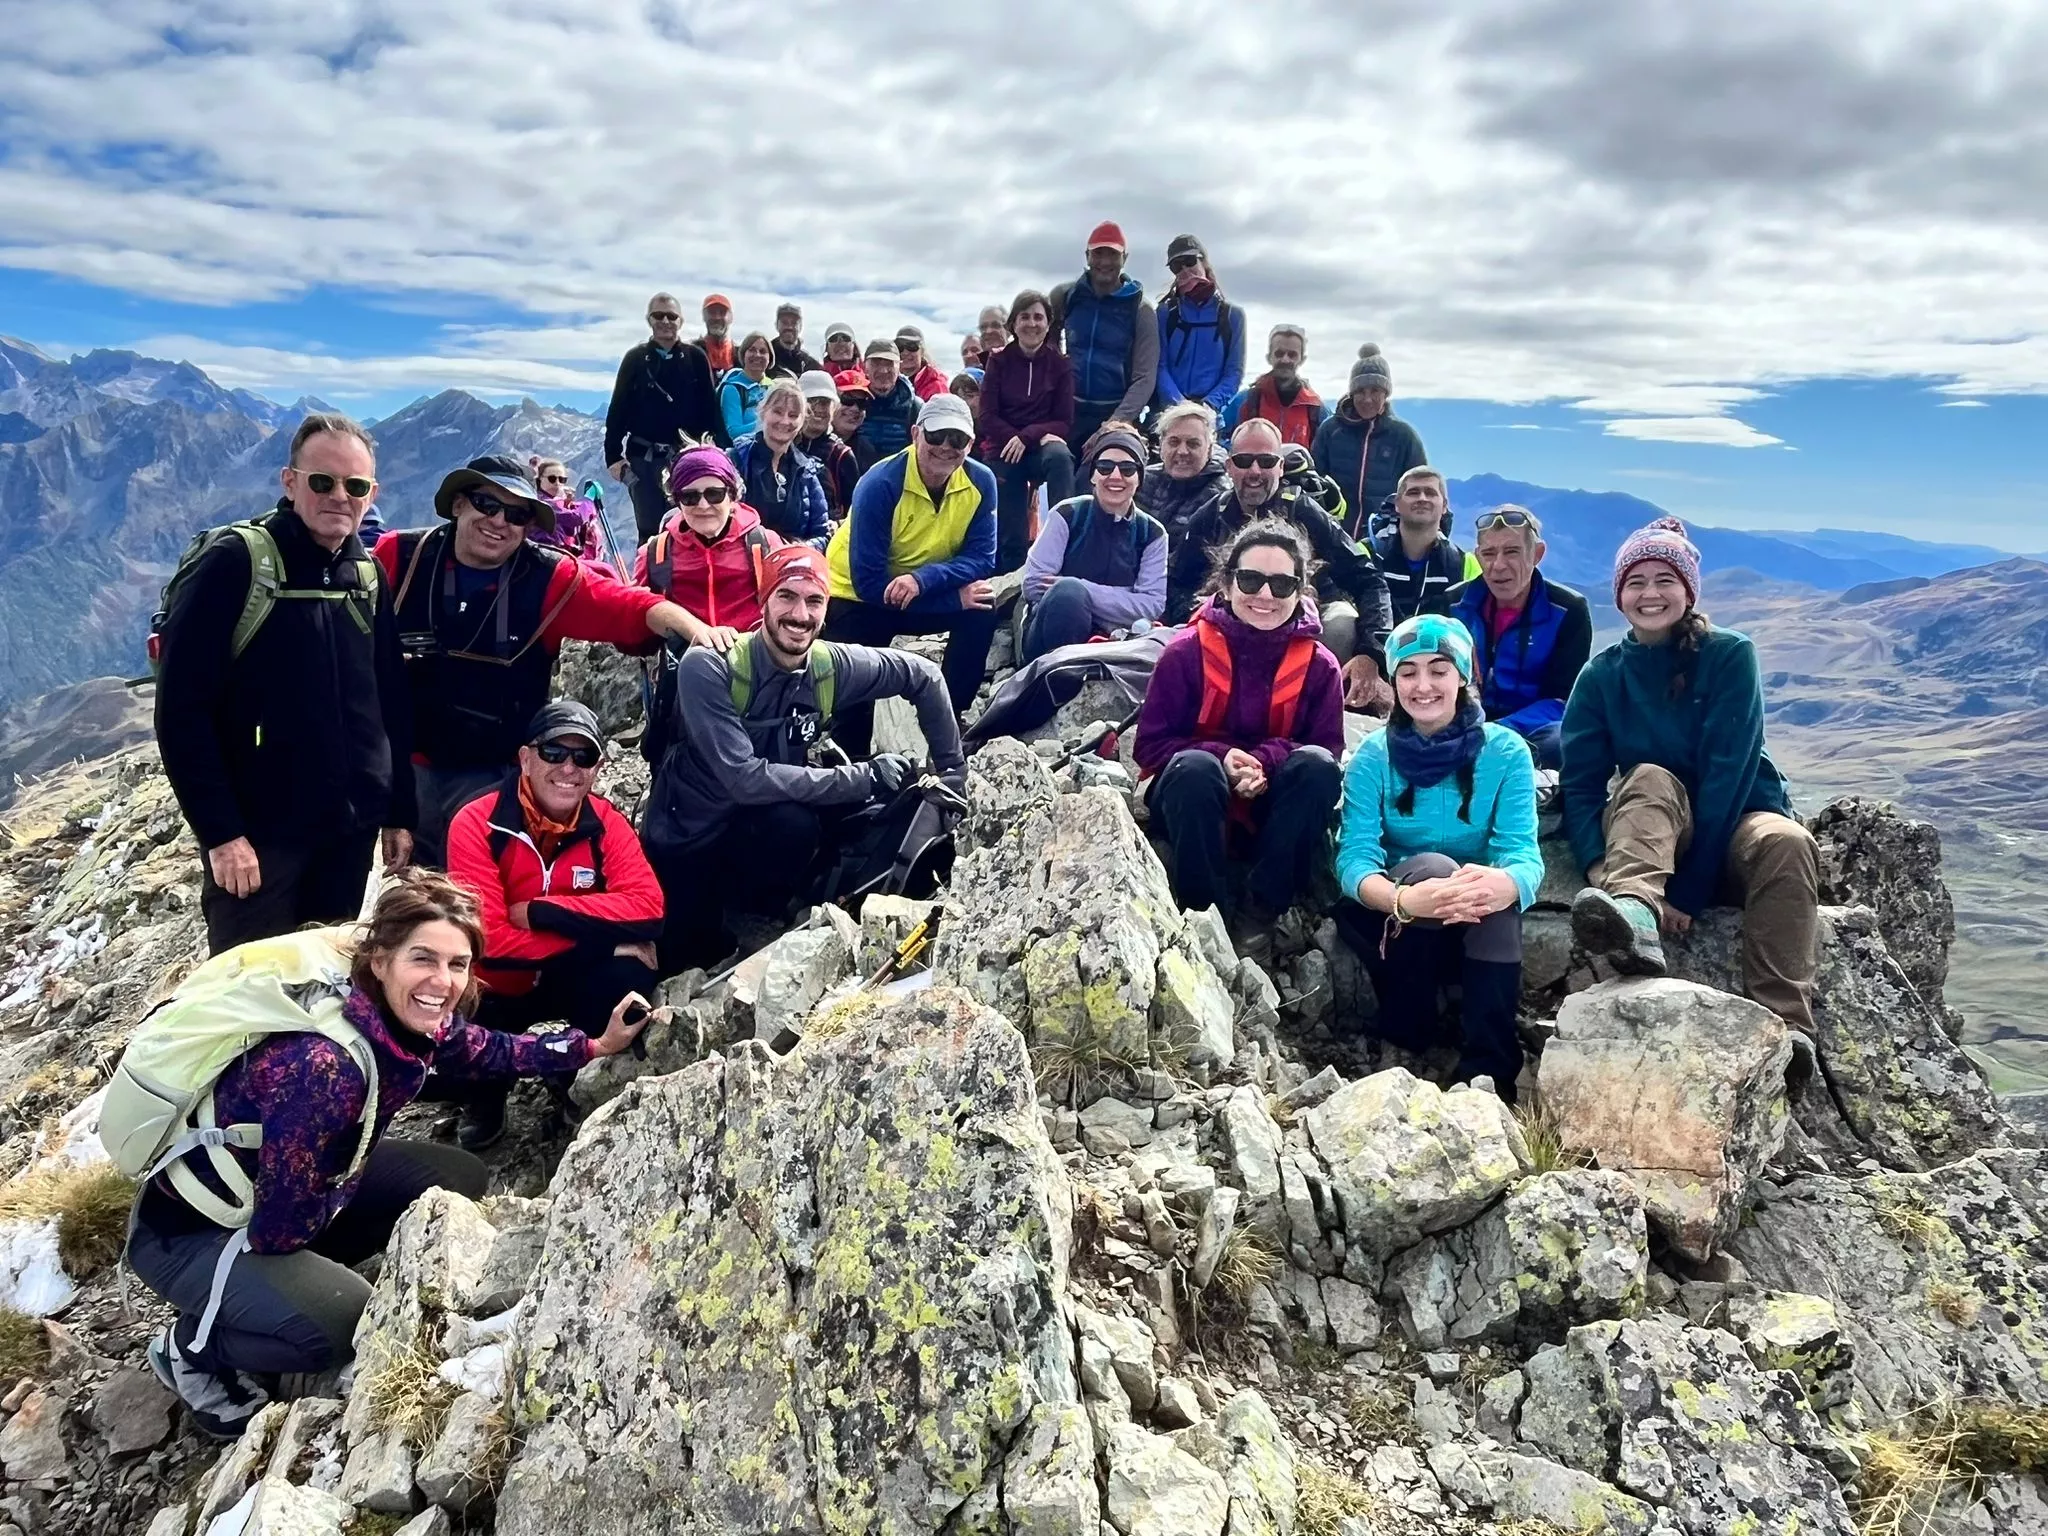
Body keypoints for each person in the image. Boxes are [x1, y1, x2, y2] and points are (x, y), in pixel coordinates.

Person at [131, 870, 652, 1439]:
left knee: (455, 1176)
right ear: (380, 961)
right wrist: (329, 1230)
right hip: (191, 1232)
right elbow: (279, 1229)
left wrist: (591, 1045)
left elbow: (486, 1050)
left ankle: (277, 1294)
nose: (443, 981)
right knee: (343, 1326)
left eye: (458, 964)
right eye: (423, 959)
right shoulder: (323, 1067)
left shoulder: (401, 1015)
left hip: (288, 1188)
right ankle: (190, 1348)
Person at [373, 456, 718, 868]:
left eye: (516, 514)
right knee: (415, 888)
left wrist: (699, 632)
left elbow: (631, 607)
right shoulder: (401, 556)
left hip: (494, 772)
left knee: (475, 886)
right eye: (487, 504)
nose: (499, 521)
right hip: (403, 765)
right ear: (458, 503)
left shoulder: (549, 578)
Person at [155, 413, 415, 955]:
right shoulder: (236, 564)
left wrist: (397, 814)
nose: (339, 496)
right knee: (247, 986)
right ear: (290, 482)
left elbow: (390, 700)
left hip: (347, 837)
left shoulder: (367, 576)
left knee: (321, 982)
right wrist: (221, 835)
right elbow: (181, 711)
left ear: (372, 494)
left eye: (355, 486)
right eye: (322, 481)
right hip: (259, 841)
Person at [643, 545, 967, 970]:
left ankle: (761, 911)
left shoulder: (830, 667)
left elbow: (923, 675)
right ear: (763, 601)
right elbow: (744, 779)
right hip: (689, 837)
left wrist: (954, 778)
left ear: (827, 608)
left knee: (796, 825)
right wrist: (864, 777)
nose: (800, 614)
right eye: (786, 596)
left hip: (759, 826)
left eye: (814, 600)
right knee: (684, 955)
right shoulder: (710, 666)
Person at [1562, 518, 1819, 1031]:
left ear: (1688, 592)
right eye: (1636, 582)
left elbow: (1730, 775)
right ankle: (1634, 915)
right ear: (1619, 595)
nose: (1650, 594)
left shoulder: (1729, 655)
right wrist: (1596, 863)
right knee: (1650, 777)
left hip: (1738, 823)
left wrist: (1690, 891)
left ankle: (1787, 1029)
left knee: (1787, 841)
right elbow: (1580, 783)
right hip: (1654, 831)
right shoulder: (1602, 675)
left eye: (1665, 580)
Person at [1333, 616, 1542, 1099]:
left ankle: (1490, 1075)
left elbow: (1521, 852)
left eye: (1439, 670)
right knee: (1435, 868)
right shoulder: (1373, 757)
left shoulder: (1507, 753)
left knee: (1487, 888)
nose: (1422, 686)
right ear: (1393, 680)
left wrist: (1508, 883)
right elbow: (1354, 860)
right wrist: (1405, 901)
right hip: (1396, 922)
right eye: (1408, 672)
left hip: (1472, 924)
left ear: (1463, 675)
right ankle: (1409, 1035)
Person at [444, 701, 663, 1148]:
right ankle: (484, 1096)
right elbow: (488, 940)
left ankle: (577, 1077)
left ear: (597, 768)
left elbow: (648, 908)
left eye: (584, 757)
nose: (568, 767)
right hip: (497, 982)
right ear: (525, 759)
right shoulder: (475, 822)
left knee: (630, 974)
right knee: (463, 994)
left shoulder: (606, 822)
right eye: (554, 752)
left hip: (568, 976)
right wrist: (596, 942)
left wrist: (539, 911)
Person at [1134, 520, 1344, 926]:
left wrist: (1264, 761)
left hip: (1274, 807)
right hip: (1192, 798)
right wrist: (1222, 757)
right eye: (1250, 580)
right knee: (1195, 768)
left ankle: (1261, 913)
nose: (1265, 595)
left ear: (1300, 592)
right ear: (1227, 585)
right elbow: (1150, 746)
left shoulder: (1321, 667)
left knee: (1317, 768)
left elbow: (1327, 749)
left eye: (1281, 584)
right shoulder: (1184, 654)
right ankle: (1203, 918)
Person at [1168, 420, 1393, 710]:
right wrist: (1198, 614)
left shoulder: (1305, 512)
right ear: (1229, 467)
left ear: (1281, 468)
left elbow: (1369, 580)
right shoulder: (1210, 516)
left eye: (1266, 461)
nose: (1255, 471)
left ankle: (1333, 709)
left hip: (1304, 626)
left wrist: (1371, 652)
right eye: (1244, 461)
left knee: (1342, 625)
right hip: (1231, 626)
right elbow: (1176, 583)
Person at [821, 394, 998, 757]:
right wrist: (951, 598)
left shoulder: (981, 482)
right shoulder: (880, 483)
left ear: (970, 444)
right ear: (916, 433)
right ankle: (849, 756)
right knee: (858, 674)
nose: (945, 447)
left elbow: (983, 558)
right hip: (855, 595)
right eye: (936, 436)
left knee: (981, 608)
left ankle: (950, 720)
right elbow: (869, 584)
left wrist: (923, 581)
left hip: (916, 588)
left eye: (957, 439)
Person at [1446, 505, 1592, 770]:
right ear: (1478, 557)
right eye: (1489, 554)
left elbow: (1562, 699)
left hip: (1532, 730)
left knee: (1562, 742)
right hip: (1461, 724)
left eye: (1512, 552)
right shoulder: (1453, 605)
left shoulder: (1568, 610)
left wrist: (1495, 731)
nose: (1498, 565)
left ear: (1537, 554)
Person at [1020, 423, 1167, 660]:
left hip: (1119, 641)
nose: (1115, 476)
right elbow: (1035, 584)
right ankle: (1057, 679)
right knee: (1068, 596)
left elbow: (1152, 605)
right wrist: (1122, 598)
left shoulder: (1153, 533)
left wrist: (1083, 590)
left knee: (1071, 590)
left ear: (1140, 478)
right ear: (1093, 475)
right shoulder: (1067, 514)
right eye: (1105, 467)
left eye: (1128, 469)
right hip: (1054, 635)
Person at [604, 292, 724, 539]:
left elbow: (710, 410)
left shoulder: (696, 358)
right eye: (659, 316)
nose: (665, 321)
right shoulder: (635, 359)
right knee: (649, 531)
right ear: (649, 320)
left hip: (686, 457)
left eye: (671, 316)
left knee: (691, 527)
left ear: (681, 321)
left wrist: (718, 452)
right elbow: (618, 410)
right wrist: (613, 457)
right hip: (643, 461)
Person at [634, 444, 781, 635]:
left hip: (752, 652)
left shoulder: (765, 546)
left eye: (714, 494)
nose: (703, 506)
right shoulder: (654, 555)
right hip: (683, 653)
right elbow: (635, 630)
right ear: (677, 501)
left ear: (732, 495)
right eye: (690, 497)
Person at [979, 288, 1077, 569]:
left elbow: (1063, 420)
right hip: (1003, 448)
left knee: (1060, 458)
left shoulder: (1060, 364)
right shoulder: (998, 361)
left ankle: (1064, 539)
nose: (1032, 324)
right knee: (1011, 533)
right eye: (1024, 317)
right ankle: (1010, 578)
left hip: (1039, 447)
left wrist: (1027, 436)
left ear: (1048, 323)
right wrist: (1013, 438)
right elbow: (987, 416)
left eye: (1038, 317)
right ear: (1013, 324)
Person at [1050, 222, 1159, 448]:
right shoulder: (1065, 296)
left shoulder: (1140, 309)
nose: (1105, 262)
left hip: (1115, 412)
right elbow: (1046, 347)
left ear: (1124, 258)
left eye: (1113, 254)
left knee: (1108, 468)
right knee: (1058, 464)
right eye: (1098, 253)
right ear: (1087, 256)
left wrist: (1114, 424)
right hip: (1067, 410)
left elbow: (1145, 377)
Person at [1311, 344, 1427, 539]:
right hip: (1332, 537)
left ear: (1386, 394)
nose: (1367, 399)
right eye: (1360, 391)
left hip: (1383, 540)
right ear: (1351, 393)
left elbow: (1420, 490)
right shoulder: (1330, 431)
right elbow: (1314, 484)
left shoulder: (1404, 437)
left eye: (1375, 391)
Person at [728, 378, 833, 547]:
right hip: (743, 556)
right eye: (777, 412)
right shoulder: (735, 460)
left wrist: (800, 549)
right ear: (763, 412)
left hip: (792, 558)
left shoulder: (807, 471)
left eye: (793, 415)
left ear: (802, 421)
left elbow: (822, 533)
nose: (785, 421)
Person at [1370, 467, 1479, 624]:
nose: (1422, 498)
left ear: (1444, 506)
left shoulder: (1465, 564)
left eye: (1430, 493)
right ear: (1397, 504)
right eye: (1413, 492)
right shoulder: (1367, 554)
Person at [1153, 234, 1244, 421]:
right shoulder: (1165, 314)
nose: (1185, 270)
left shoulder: (1232, 316)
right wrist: (1179, 406)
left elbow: (1233, 373)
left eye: (1190, 261)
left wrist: (1209, 405)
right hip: (1168, 415)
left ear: (1204, 262)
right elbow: (1160, 366)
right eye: (1176, 266)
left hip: (1210, 416)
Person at [1136, 401, 1229, 537]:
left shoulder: (1220, 496)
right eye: (1174, 442)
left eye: (1193, 444)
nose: (1182, 451)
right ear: (1161, 444)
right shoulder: (1143, 480)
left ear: (1209, 449)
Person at [1227, 324, 1327, 448]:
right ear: (1269, 357)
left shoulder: (1315, 408)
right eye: (1279, 353)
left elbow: (1326, 449)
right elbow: (1219, 438)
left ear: (1302, 359)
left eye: (1292, 355)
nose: (1285, 360)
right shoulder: (1246, 401)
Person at [796, 370, 861, 515]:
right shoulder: (784, 446)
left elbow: (854, 511)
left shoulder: (841, 455)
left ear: (834, 408)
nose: (819, 408)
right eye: (812, 401)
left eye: (825, 402)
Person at [528, 458, 606, 563]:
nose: (557, 483)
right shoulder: (542, 503)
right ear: (539, 479)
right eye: (552, 479)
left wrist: (566, 504)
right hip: (544, 558)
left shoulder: (551, 500)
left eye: (562, 480)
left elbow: (569, 529)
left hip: (551, 555)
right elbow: (575, 519)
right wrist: (588, 499)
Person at [860, 338, 921, 460]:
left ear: (899, 367)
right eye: (876, 363)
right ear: (865, 367)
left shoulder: (915, 407)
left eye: (889, 364)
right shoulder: (853, 402)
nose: (883, 370)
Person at [718, 331, 775, 441]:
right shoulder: (732, 388)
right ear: (743, 354)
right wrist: (768, 423)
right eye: (752, 350)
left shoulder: (775, 388)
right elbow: (734, 432)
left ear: (770, 358)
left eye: (763, 351)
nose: (757, 355)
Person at [830, 369, 882, 474]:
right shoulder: (810, 442)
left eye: (862, 403)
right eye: (847, 400)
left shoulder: (867, 451)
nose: (855, 409)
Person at [895, 326, 949, 400]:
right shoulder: (890, 381)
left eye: (912, 346)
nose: (905, 352)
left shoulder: (936, 386)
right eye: (899, 347)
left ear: (922, 351)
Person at [770, 302, 819, 378]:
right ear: (776, 325)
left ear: (801, 327)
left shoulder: (811, 365)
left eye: (794, 323)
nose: (789, 327)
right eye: (784, 322)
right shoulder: (765, 359)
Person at [696, 293, 735, 376]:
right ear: (704, 316)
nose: (717, 317)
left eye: (722, 312)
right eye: (712, 312)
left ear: (731, 318)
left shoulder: (742, 355)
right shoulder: (691, 353)